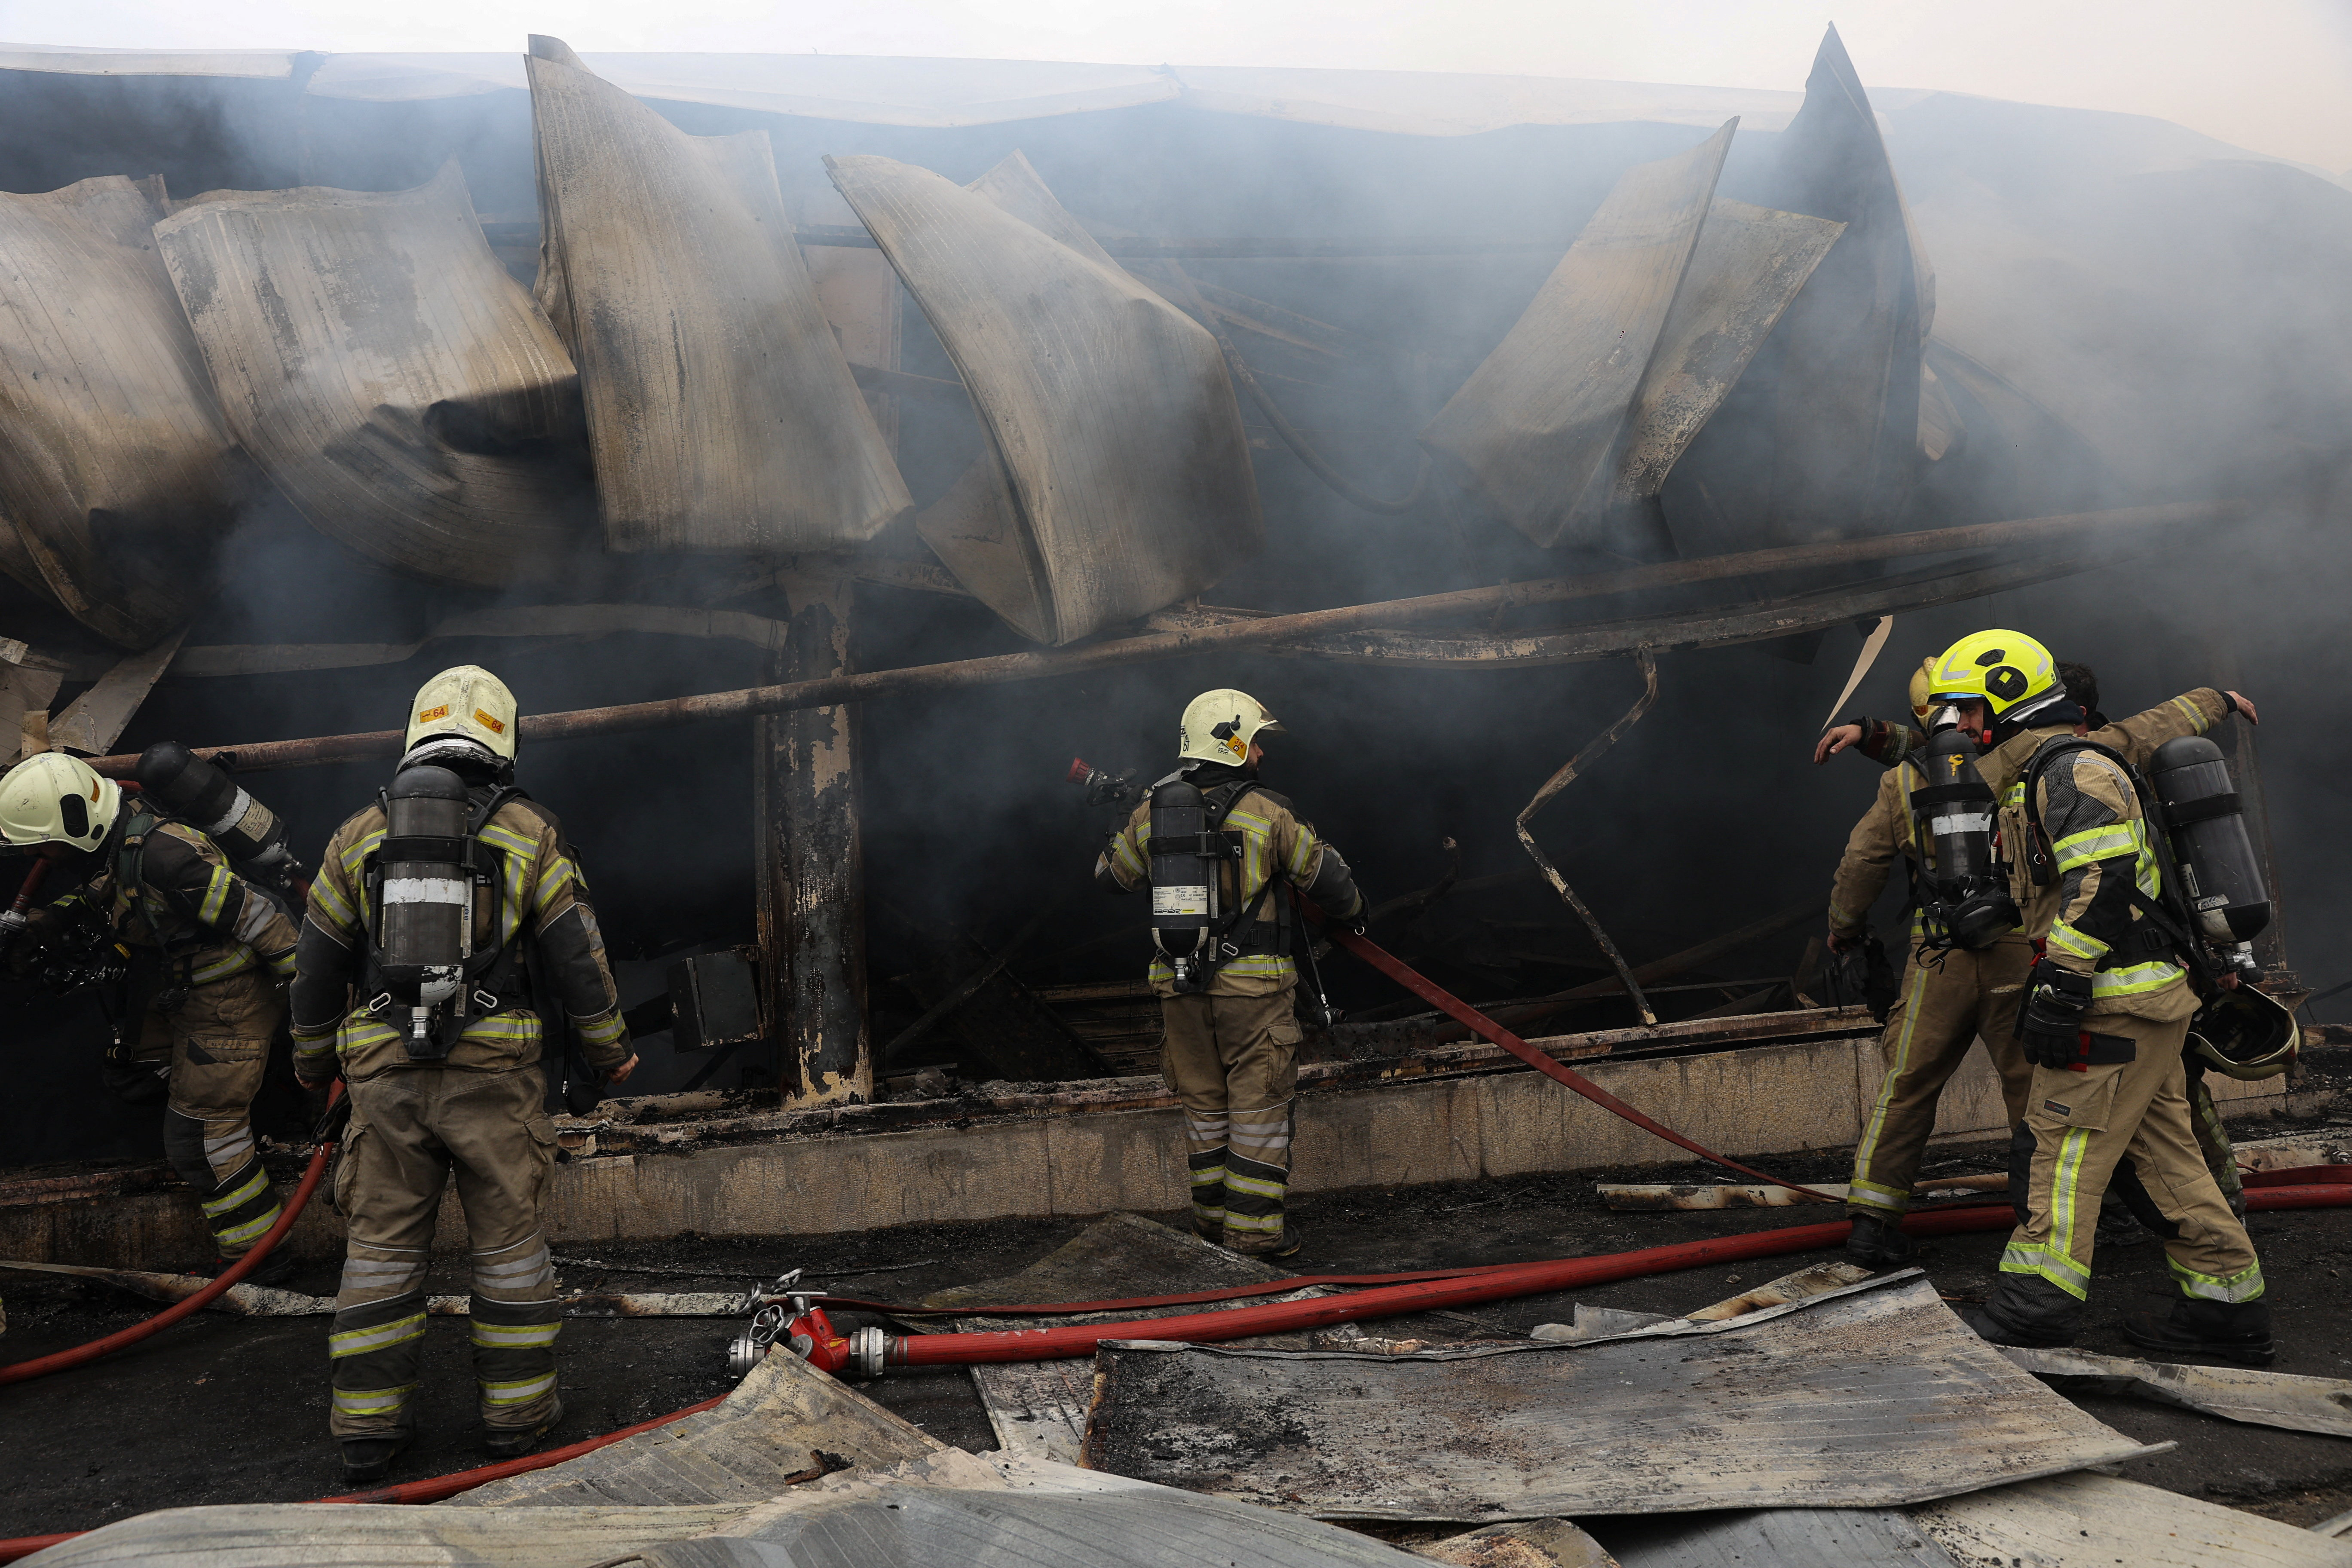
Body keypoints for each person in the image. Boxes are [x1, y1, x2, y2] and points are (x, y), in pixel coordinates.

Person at [290, 666, 638, 1482]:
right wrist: (608, 1050)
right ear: (503, 739)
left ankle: (368, 1429)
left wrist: (311, 1061)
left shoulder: (355, 835)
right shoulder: (530, 831)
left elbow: (313, 965)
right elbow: (577, 958)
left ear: (415, 732)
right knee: (510, 1248)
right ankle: (518, 1419)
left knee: (379, 1250)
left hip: (382, 1070)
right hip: (495, 1070)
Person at [1921, 630, 2272, 1363]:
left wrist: (2061, 982)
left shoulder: (2071, 769)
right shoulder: (2040, 775)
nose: (1962, 728)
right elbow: (2066, 886)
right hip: (2132, 1001)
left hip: (2110, 1002)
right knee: (2167, 1160)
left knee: (2062, 1145)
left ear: (2005, 700)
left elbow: (2104, 885)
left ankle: (2032, 1309)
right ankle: (2225, 1312)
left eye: (1966, 711)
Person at [0, 751, 301, 1280]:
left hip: (230, 1001)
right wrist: (50, 924)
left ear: (75, 825)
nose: (40, 854)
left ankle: (259, 1257)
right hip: (188, 992)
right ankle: (225, 1107)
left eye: (41, 842)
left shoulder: (166, 857)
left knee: (198, 1139)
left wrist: (314, 1008)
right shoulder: (129, 837)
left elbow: (263, 917)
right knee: (132, 1071)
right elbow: (111, 888)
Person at [1093, 689, 1363, 1259]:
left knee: (1205, 1110)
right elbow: (1330, 882)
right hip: (1254, 992)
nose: (1262, 753)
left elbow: (1110, 878)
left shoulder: (1153, 813)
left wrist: (1131, 819)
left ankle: (1210, 1235)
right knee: (1258, 1110)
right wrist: (1357, 916)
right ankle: (1256, 1236)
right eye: (1256, 741)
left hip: (1181, 990)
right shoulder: (1269, 812)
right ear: (1235, 744)